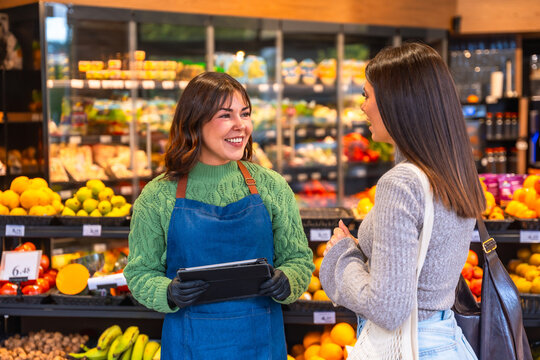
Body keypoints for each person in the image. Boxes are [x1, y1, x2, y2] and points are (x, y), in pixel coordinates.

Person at [124, 72, 314, 360]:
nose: (241, 125)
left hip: (261, 345)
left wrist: (287, 279)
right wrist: (168, 292)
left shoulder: (271, 186)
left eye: (245, 113)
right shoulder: (157, 196)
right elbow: (139, 273)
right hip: (190, 346)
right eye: (226, 115)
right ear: (195, 123)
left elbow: (299, 259)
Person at [319, 42, 485, 359]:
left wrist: (343, 257)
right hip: (446, 341)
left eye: (367, 95)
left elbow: (388, 308)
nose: (362, 107)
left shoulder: (402, 182)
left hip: (411, 347)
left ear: (398, 102)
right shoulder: (453, 171)